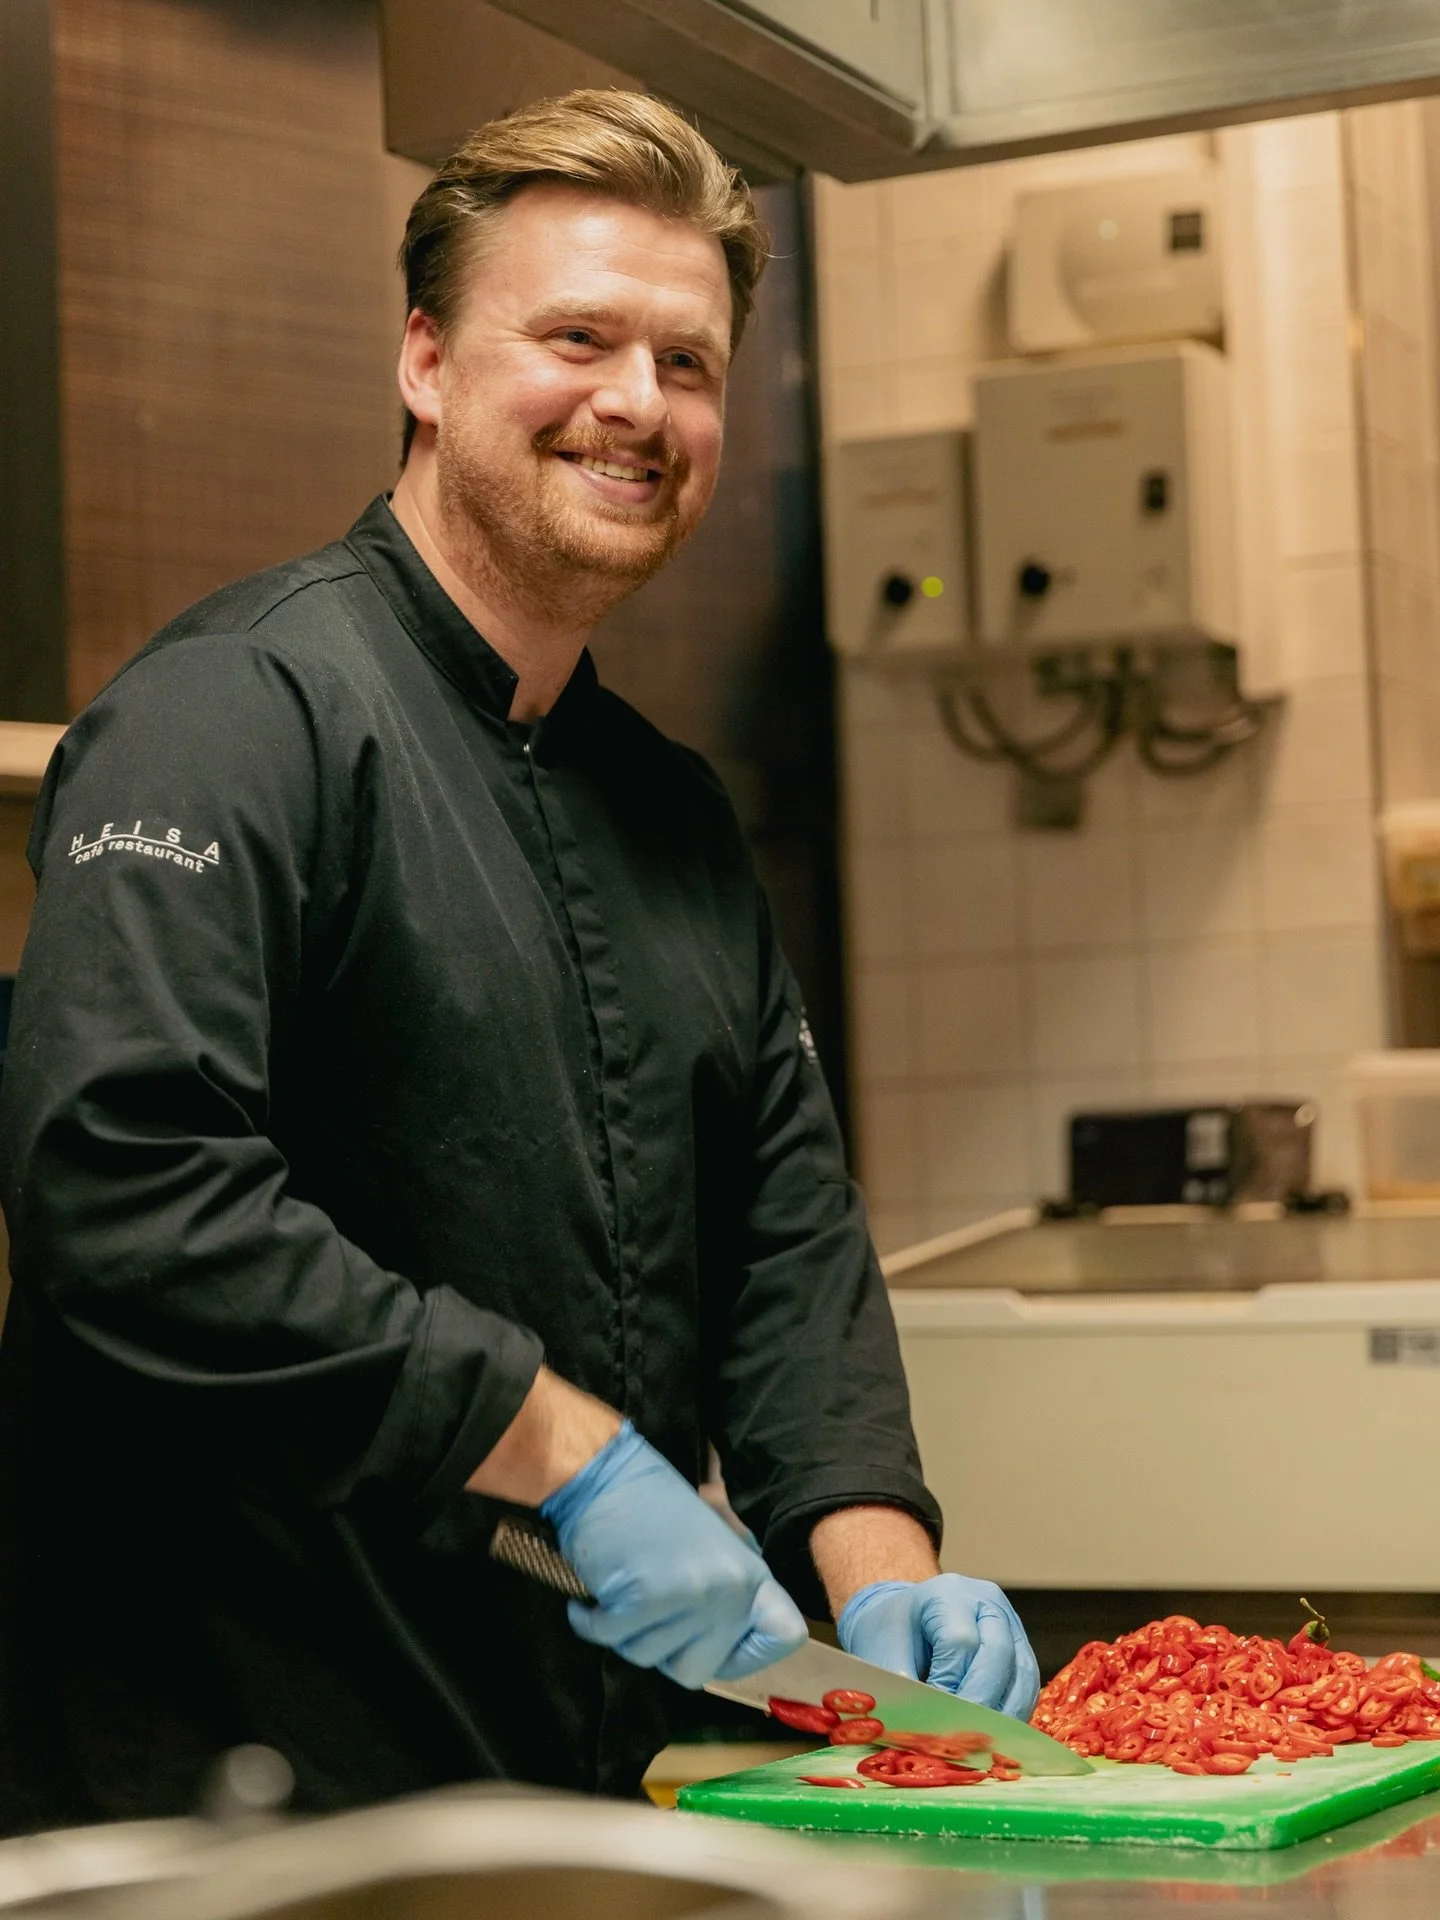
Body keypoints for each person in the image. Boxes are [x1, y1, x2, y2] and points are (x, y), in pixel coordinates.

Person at [0, 89, 1037, 1832]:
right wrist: (569, 1446)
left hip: (568, 1784)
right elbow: (124, 1188)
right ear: (425, 361)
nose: (640, 405)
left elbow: (788, 1253)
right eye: (579, 338)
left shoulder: (678, 813)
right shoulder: (232, 713)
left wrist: (877, 1578)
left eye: (689, 364)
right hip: (233, 1788)